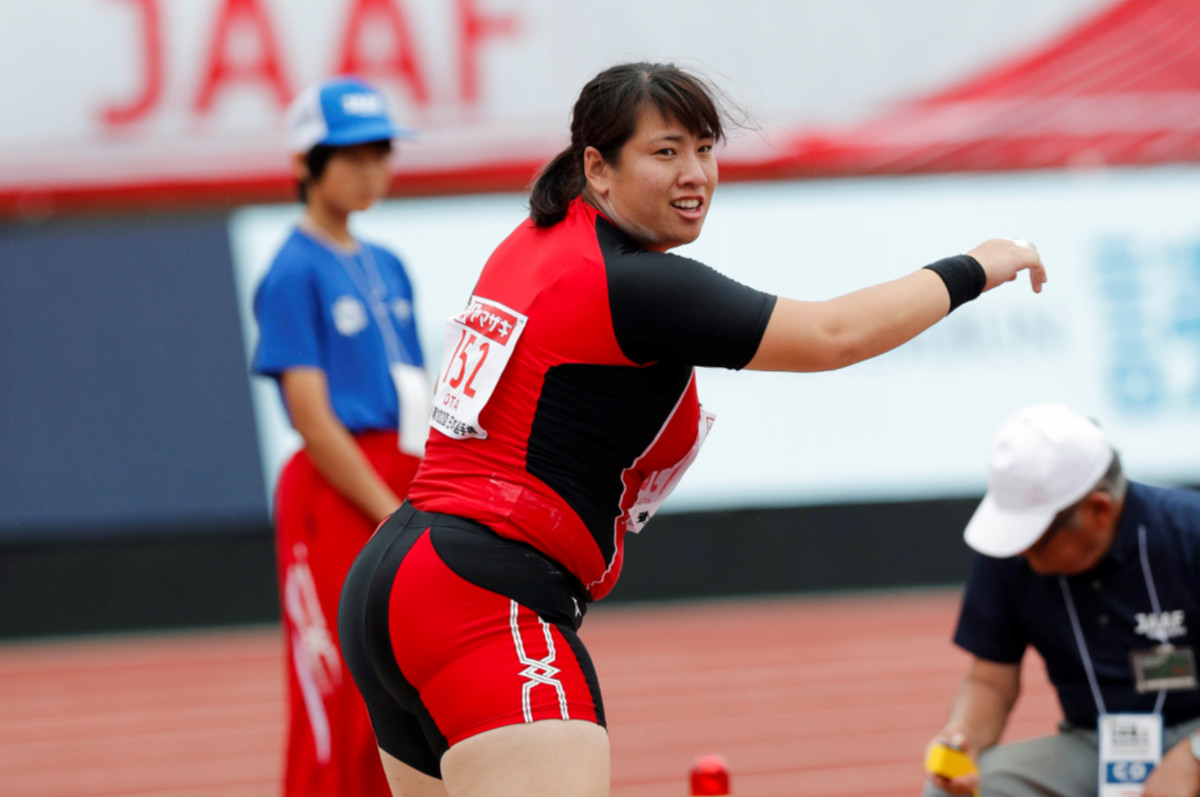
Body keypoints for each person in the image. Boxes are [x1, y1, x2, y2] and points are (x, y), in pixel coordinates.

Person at [337, 61, 1046, 797]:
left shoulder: (539, 237)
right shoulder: (637, 287)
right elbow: (835, 335)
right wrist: (978, 266)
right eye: (666, 151)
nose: (695, 174)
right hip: (481, 596)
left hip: (401, 578)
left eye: (706, 148)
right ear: (597, 168)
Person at [252, 75, 430, 797]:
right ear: (306, 164)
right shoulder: (292, 271)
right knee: (338, 681)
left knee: (404, 678)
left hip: (404, 477)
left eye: (379, 151)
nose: (369, 169)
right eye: (349, 154)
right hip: (339, 490)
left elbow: (418, 391)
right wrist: (388, 509)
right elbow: (312, 417)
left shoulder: (388, 264)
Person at [923, 403, 1200, 797]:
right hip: (1095, 744)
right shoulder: (1008, 553)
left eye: (1032, 538)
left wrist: (1194, 757)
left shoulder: (1190, 531)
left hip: (1196, 729)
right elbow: (989, 681)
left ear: (1098, 511)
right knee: (952, 793)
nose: (1019, 551)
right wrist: (961, 735)